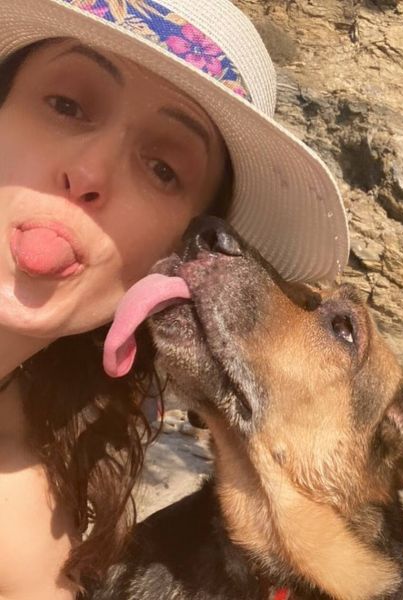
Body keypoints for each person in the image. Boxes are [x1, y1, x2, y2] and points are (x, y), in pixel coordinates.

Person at [0, 0, 349, 597]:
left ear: (173, 258)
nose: (90, 172)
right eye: (66, 105)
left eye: (163, 168)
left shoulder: (28, 514)